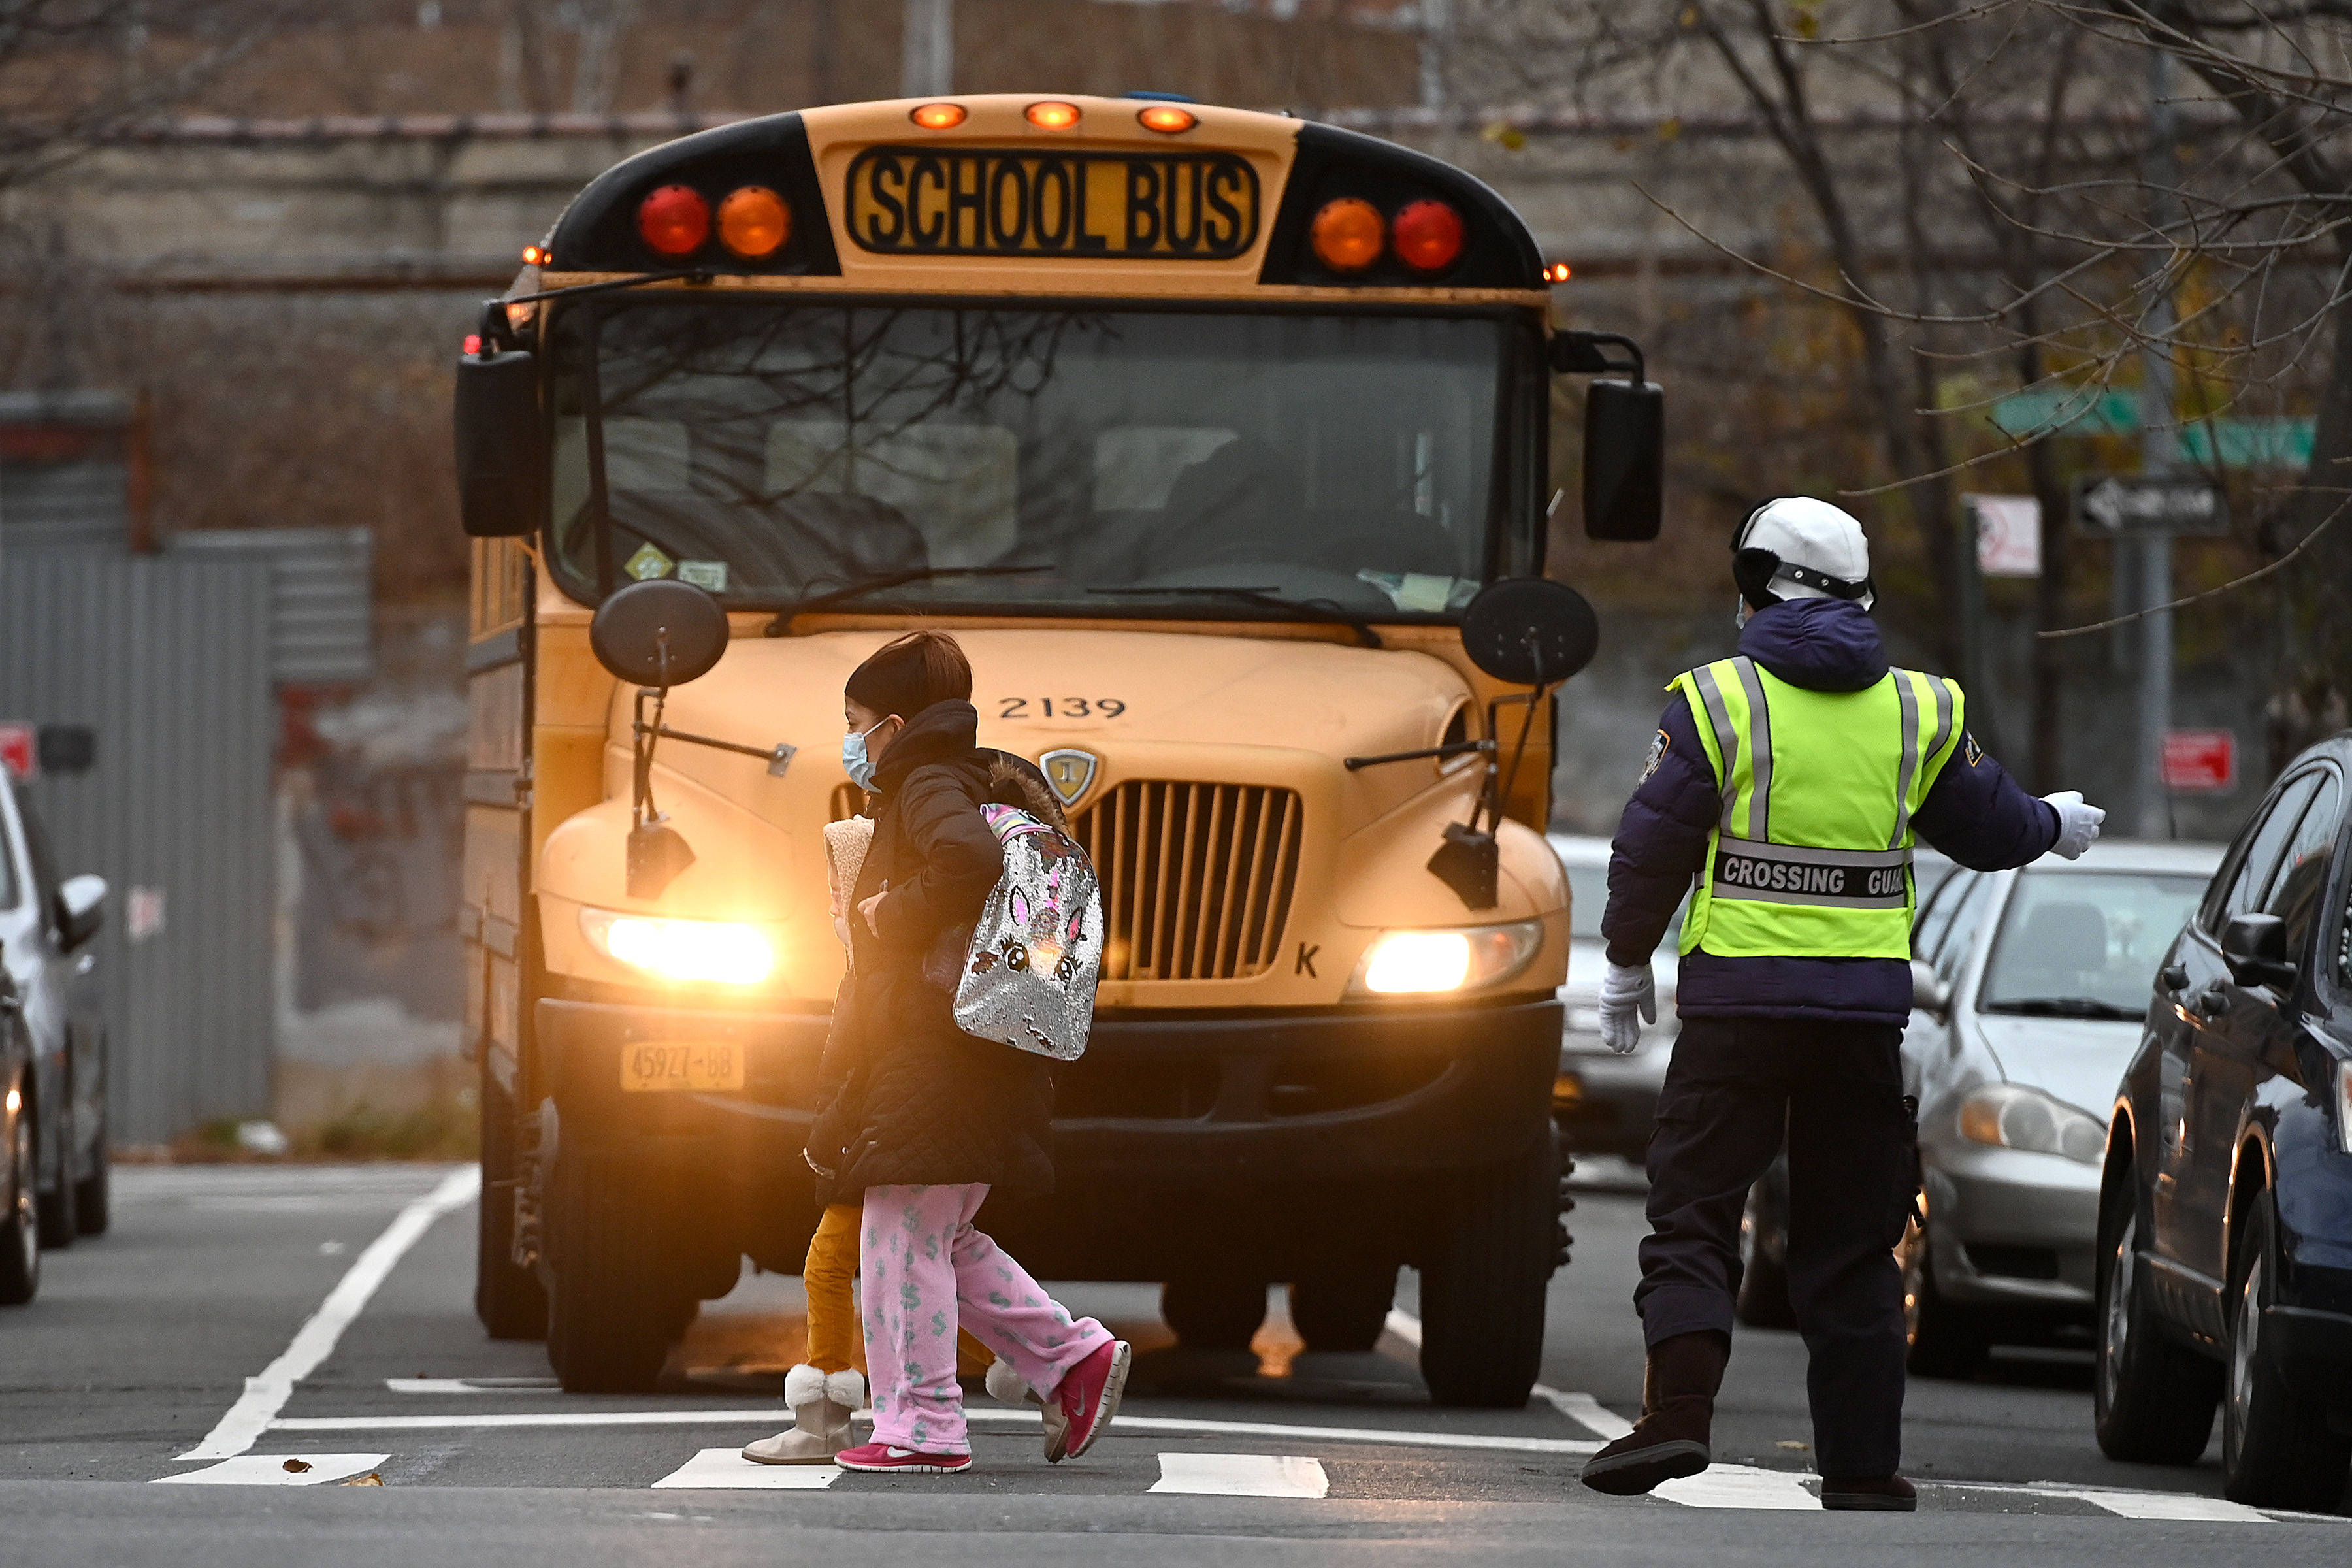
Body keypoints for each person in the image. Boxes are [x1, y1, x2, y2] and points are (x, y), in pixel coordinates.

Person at [1577, 498, 2104, 1511]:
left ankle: (1677, 1417)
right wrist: (2054, 822)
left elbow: (1652, 848)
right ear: (1861, 593)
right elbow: (1988, 827)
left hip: (1735, 1018)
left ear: (1756, 584)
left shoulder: (1716, 701)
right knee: (1853, 1239)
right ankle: (1863, 1468)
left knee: (1693, 1212)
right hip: (1862, 1026)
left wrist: (1624, 965)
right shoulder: (1919, 709)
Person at [808, 630, 1130, 1476]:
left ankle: (920, 1424)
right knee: (940, 1235)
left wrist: (885, 914)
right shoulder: (975, 772)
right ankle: (1071, 1362)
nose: (851, 739)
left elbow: (969, 859)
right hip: (973, 1046)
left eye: (855, 721)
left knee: (896, 1239)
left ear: (895, 724)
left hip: (936, 1051)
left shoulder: (925, 781)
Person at [743, 814, 1056, 1465]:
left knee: (832, 1264)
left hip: (886, 1147)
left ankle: (825, 1414)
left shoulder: (877, 969)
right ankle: (1028, 1364)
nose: (833, 902)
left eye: (841, 888)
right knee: (931, 1273)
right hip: (890, 1142)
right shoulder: (882, 961)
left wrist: (825, 1143)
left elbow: (857, 1073)